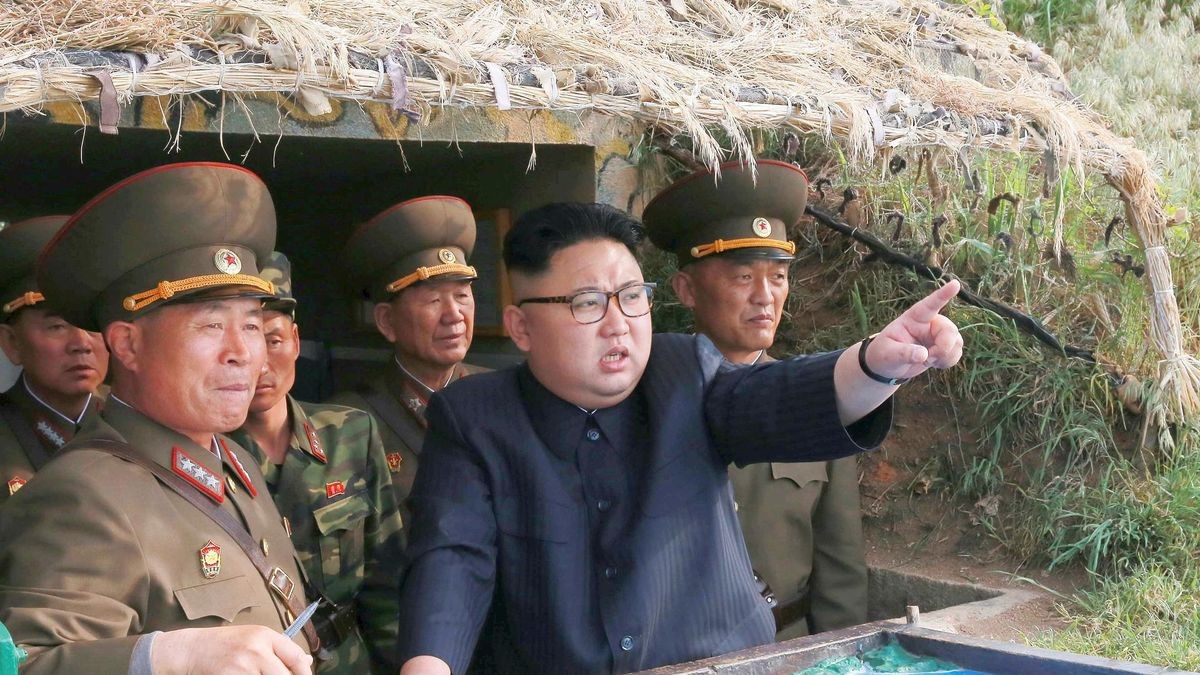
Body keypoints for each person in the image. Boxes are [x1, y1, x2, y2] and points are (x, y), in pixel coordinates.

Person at [395, 200, 963, 674]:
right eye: (587, 302)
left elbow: (776, 399)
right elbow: (453, 553)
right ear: (521, 327)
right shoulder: (475, 417)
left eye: (632, 296)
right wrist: (429, 663)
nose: (619, 322)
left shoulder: (686, 371)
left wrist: (876, 365)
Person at [0, 162, 315, 675]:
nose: (241, 352)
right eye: (211, 325)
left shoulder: (232, 458)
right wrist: (164, 657)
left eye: (252, 325)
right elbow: (28, 662)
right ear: (127, 344)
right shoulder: (83, 495)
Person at [643, 160, 867, 639]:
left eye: (778, 276)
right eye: (743, 277)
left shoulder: (818, 402)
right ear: (686, 289)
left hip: (785, 649)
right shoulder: (641, 400)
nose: (765, 297)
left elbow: (840, 565)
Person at [229, 251, 404, 673]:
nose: (262, 364)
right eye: (247, 340)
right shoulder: (204, 454)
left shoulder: (350, 432)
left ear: (294, 339)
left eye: (273, 340)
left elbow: (387, 581)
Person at [329, 196, 486, 517]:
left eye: (462, 296)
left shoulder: (507, 396)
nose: (454, 315)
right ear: (387, 321)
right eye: (433, 301)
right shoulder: (348, 421)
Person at [0, 216, 108, 505]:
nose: (82, 343)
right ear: (11, 343)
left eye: (92, 325)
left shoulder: (135, 428)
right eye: (57, 326)